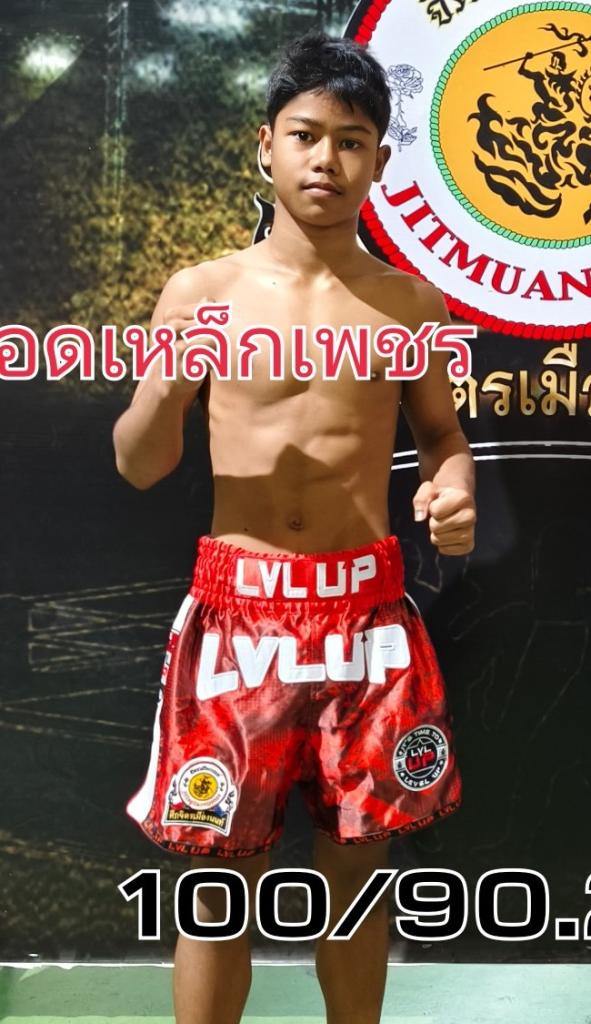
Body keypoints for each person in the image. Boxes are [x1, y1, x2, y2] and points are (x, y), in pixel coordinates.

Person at [113, 29, 476, 1024]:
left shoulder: (409, 303)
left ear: (380, 161)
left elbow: (442, 437)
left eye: (351, 141)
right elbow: (139, 464)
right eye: (306, 135)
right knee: (216, 883)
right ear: (263, 146)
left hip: (366, 620)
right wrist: (167, 386)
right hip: (237, 620)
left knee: (359, 874)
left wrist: (453, 490)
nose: (326, 159)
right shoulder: (202, 293)